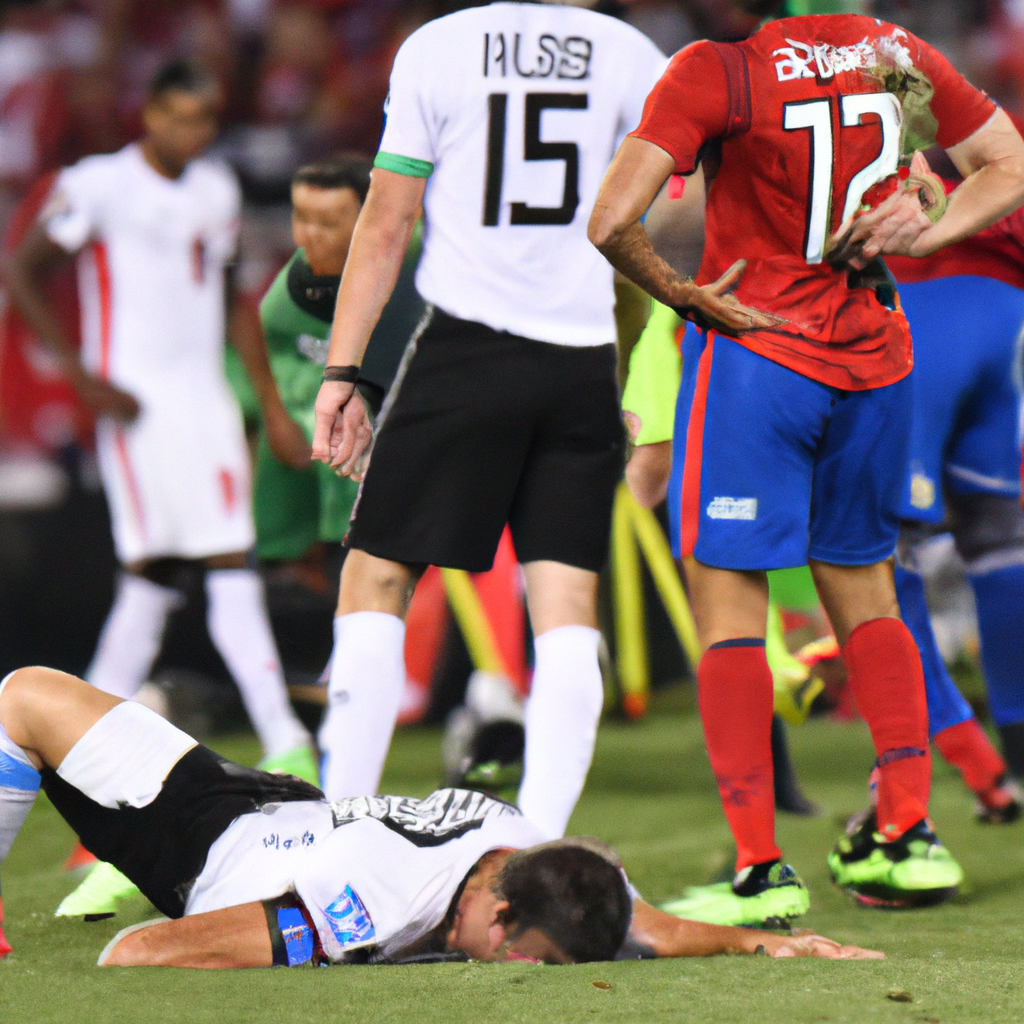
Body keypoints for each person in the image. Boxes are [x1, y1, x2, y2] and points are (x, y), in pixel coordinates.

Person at [588, 13, 1024, 924]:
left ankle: (758, 872)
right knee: (869, 589)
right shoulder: (887, 45)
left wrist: (682, 295)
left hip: (760, 353)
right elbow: (1010, 163)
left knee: (728, 601)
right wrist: (933, 227)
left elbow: (609, 219)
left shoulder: (715, 68)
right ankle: (906, 837)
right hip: (877, 356)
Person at [306, 0, 772, 837]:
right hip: (582, 355)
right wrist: (627, 374)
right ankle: (538, 841)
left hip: (466, 348)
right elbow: (667, 218)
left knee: (375, 576)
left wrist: (345, 371)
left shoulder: (439, 46)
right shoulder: (634, 55)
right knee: (565, 607)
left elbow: (386, 221)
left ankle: (340, 826)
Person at [3, 60, 317, 914]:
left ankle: (91, 762)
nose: (196, 133)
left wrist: (270, 412)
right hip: (137, 406)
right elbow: (23, 269)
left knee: (200, 569)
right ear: (149, 114)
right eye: (181, 117)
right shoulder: (95, 184)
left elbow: (229, 301)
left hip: (205, 401)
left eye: (207, 117)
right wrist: (79, 375)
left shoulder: (214, 188)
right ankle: (272, 741)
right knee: (177, 570)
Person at [0, 665, 882, 965]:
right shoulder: (375, 903)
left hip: (256, 831)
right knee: (26, 697)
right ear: (497, 909)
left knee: (24, 695)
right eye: (520, 958)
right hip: (209, 825)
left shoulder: (556, 873)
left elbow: (650, 928)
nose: (512, 971)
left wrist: (772, 941)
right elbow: (133, 955)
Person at [253, 157, 424, 587]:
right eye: (302, 218)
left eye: (328, 222)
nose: (308, 236)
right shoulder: (300, 285)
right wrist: (279, 414)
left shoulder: (423, 264)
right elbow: (268, 347)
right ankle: (307, 556)